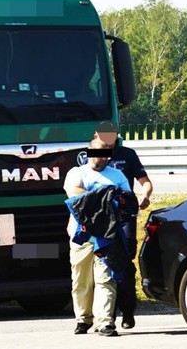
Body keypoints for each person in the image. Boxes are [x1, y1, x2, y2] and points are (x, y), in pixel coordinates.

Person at [63, 136, 131, 337]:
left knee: (105, 278)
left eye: (107, 152)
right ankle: (83, 319)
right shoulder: (76, 173)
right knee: (81, 280)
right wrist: (107, 196)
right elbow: (75, 197)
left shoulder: (117, 175)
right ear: (90, 150)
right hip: (82, 235)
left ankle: (105, 322)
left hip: (108, 237)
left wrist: (97, 197)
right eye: (99, 151)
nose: (102, 157)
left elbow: (127, 202)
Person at [94, 121, 153, 330]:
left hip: (125, 215)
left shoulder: (127, 154)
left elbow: (145, 181)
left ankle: (128, 311)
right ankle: (104, 314)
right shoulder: (89, 156)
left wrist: (145, 196)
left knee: (126, 260)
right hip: (101, 219)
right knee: (104, 262)